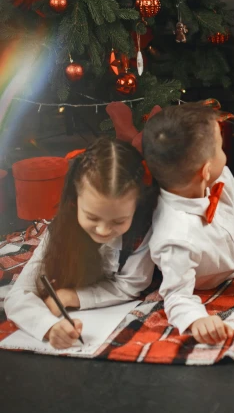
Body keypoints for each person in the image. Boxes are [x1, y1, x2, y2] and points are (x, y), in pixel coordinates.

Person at [143, 103, 234, 346]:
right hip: (214, 259)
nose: (224, 156)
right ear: (206, 171)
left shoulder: (220, 175)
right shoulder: (174, 238)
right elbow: (176, 294)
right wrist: (196, 319)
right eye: (220, 148)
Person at [5, 138, 157, 350]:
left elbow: (131, 284)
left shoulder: (143, 230)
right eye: (92, 218)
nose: (103, 231)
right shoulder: (61, 229)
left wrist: (75, 296)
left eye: (118, 221)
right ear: (75, 202)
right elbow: (20, 293)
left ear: (136, 207)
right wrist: (48, 327)